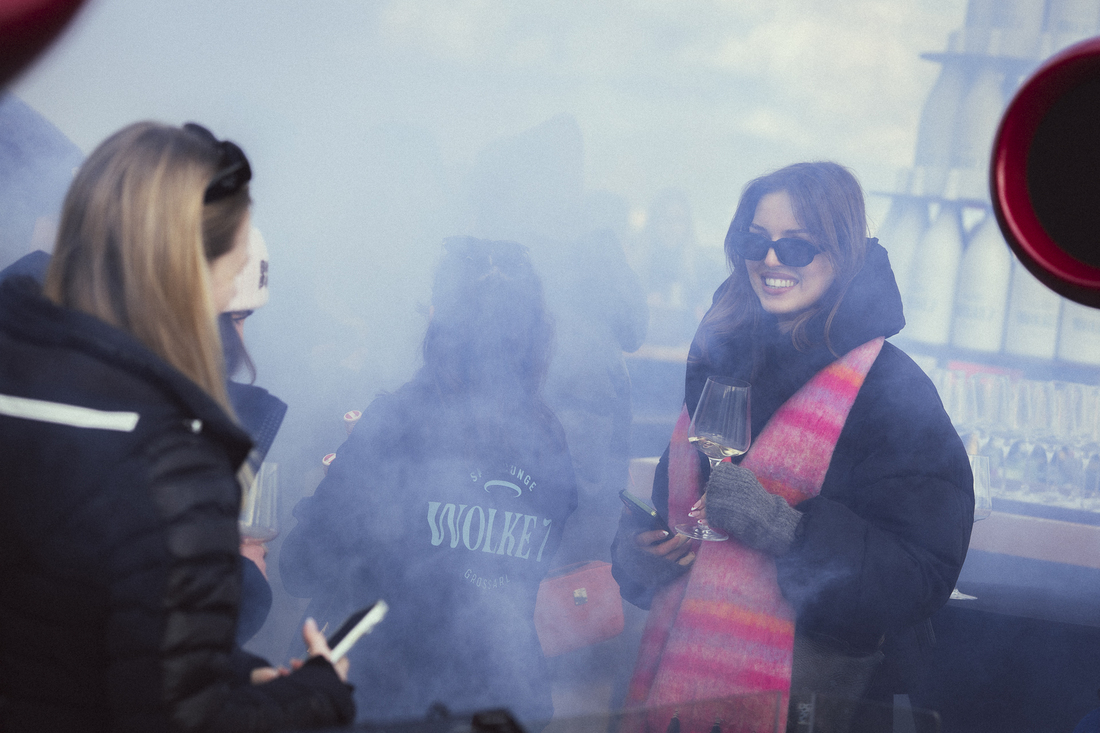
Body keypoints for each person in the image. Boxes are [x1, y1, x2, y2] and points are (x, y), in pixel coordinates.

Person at [0, 121, 354, 732]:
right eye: (232, 297)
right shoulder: (172, 462)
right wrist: (314, 696)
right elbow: (181, 719)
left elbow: (66, 630)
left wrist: (231, 670)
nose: (239, 345)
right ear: (184, 280)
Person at [610, 162, 973, 731]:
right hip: (679, 691)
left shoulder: (889, 388)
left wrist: (785, 529)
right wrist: (642, 557)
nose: (771, 260)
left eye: (797, 246)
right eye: (755, 241)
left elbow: (921, 574)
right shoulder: (722, 360)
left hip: (814, 700)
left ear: (842, 253)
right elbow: (674, 515)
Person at [280, 236, 579, 725]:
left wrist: (337, 484)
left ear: (440, 323)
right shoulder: (549, 439)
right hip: (505, 701)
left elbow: (302, 565)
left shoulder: (397, 422)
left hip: (396, 704)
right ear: (533, 335)